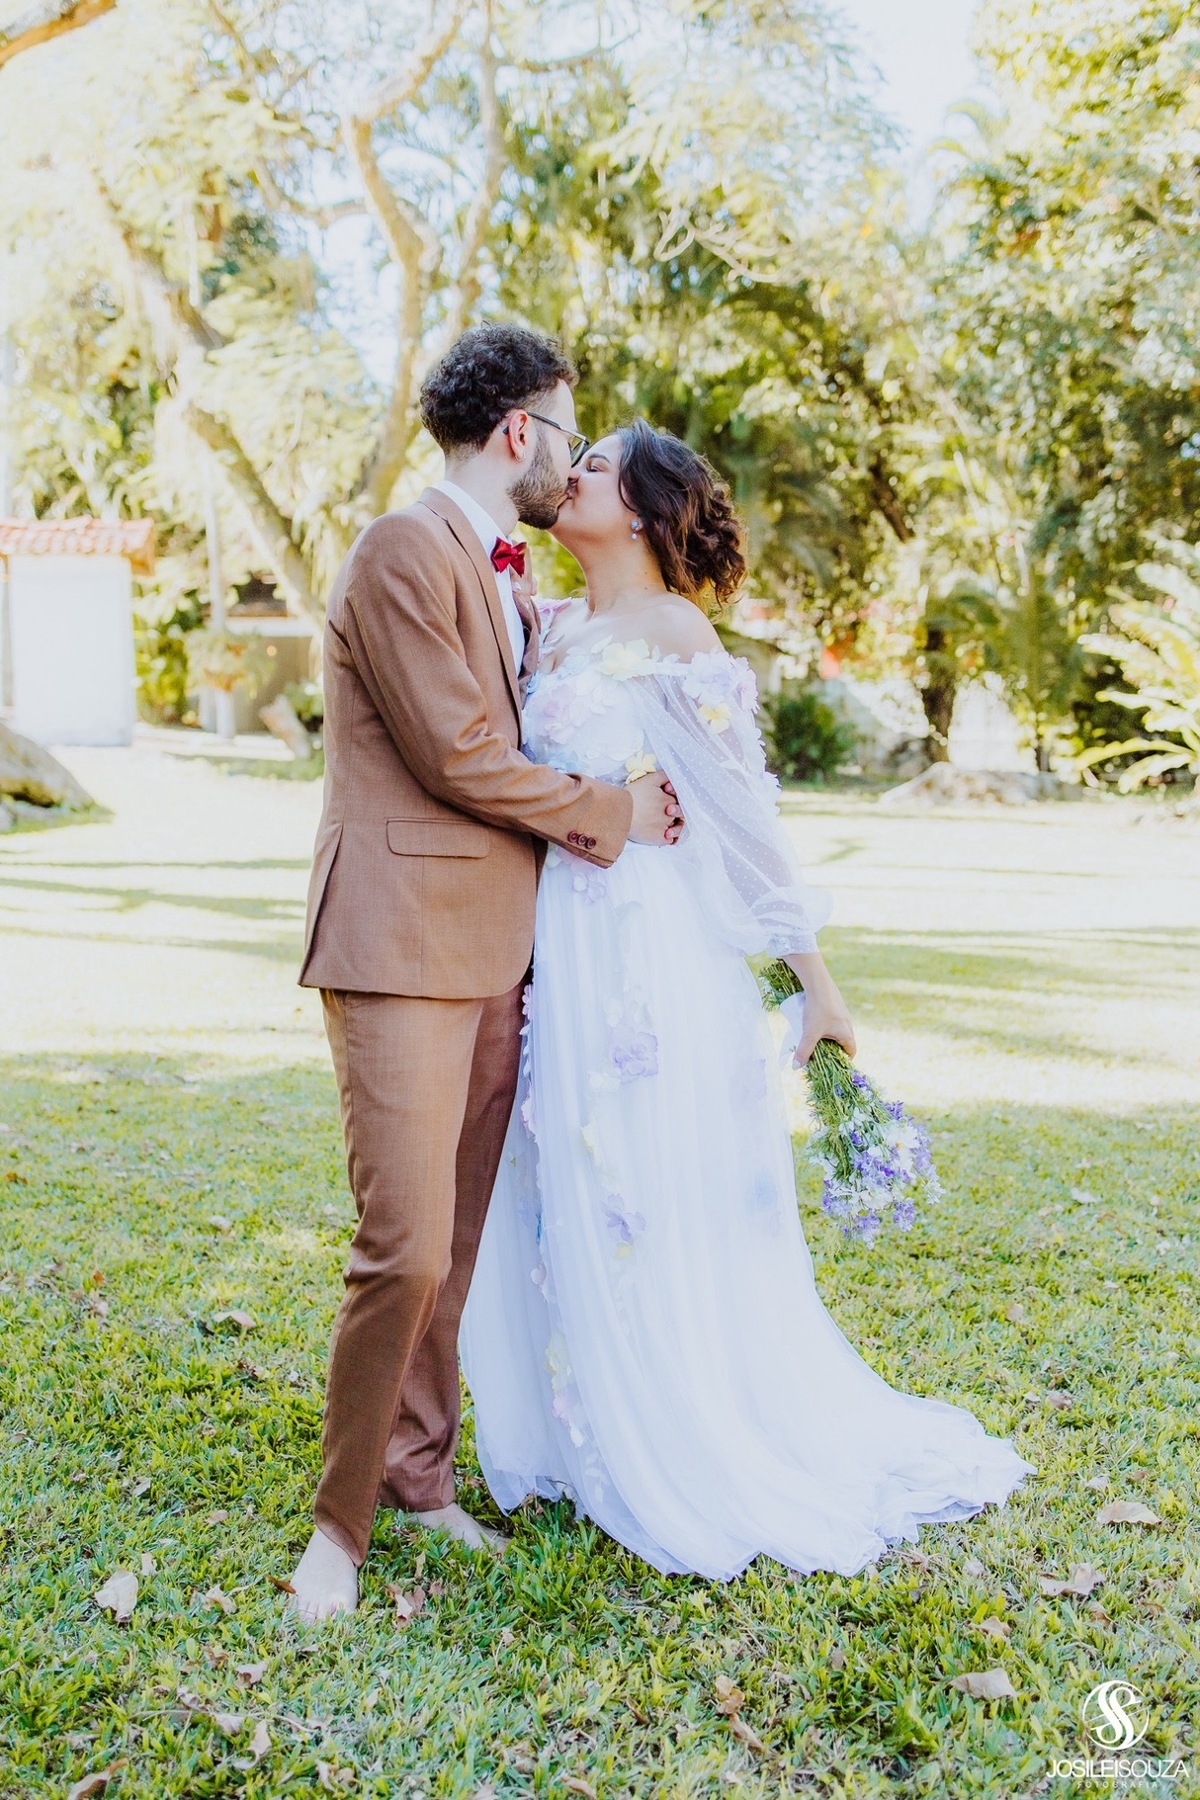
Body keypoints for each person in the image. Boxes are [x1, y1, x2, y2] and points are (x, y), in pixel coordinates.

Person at [459, 420, 1036, 1580]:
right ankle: (584, 1431)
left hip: (652, 955)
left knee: (649, 1181)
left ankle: (677, 1420)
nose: (568, 478)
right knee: (567, 1178)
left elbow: (740, 820)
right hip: (557, 950)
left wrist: (814, 983)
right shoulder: (547, 625)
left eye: (595, 469)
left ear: (638, 512)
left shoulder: (675, 634)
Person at [287, 330, 685, 1619]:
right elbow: (462, 753)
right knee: (400, 1246)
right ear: (520, 434)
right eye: (566, 437)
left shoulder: (506, 574)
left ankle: (422, 1480)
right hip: (400, 945)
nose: (569, 461)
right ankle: (337, 1537)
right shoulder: (406, 548)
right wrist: (610, 811)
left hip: (498, 953)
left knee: (454, 1246)